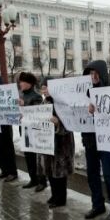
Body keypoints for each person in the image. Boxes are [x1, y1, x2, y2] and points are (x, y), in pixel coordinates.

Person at [83, 60, 110, 220]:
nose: (93, 77)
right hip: (90, 139)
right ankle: (97, 204)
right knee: (92, 175)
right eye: (90, 74)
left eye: (95, 73)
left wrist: (98, 110)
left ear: (102, 73)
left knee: (109, 175)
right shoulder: (85, 92)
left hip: (107, 140)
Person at [38, 78, 75, 209]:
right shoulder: (44, 103)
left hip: (61, 144)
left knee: (60, 173)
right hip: (48, 144)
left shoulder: (63, 103)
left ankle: (61, 198)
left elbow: (71, 123)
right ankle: (54, 195)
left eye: (46, 87)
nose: (44, 90)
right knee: (50, 172)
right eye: (42, 88)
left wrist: (58, 123)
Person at [18, 72, 47, 191]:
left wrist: (24, 105)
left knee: (37, 157)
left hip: (34, 131)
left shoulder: (36, 96)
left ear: (29, 83)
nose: (20, 84)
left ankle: (42, 181)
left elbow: (37, 113)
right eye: (20, 81)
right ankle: (33, 179)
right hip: (24, 130)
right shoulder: (22, 96)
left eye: (22, 81)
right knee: (28, 156)